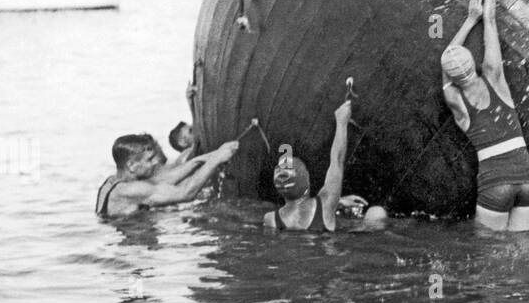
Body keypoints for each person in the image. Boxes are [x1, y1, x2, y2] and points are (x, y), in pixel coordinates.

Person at [442, 0, 529, 231]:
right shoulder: (494, 76)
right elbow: (491, 20)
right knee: (523, 254)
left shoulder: (456, 100)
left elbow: (446, 59)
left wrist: (466, 21)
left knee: (490, 261)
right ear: (473, 65)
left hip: (495, 184)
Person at [263, 99, 386, 231]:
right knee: (377, 213)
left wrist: (338, 201)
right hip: (335, 241)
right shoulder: (325, 204)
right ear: (307, 182)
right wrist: (341, 122)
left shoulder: (270, 219)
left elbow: (298, 207)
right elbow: (337, 159)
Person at [95, 134, 238, 219]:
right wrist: (216, 160)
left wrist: (206, 157)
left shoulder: (113, 181)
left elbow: (164, 180)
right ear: (132, 165)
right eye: (149, 160)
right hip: (137, 254)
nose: (155, 162)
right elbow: (186, 193)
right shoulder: (130, 190)